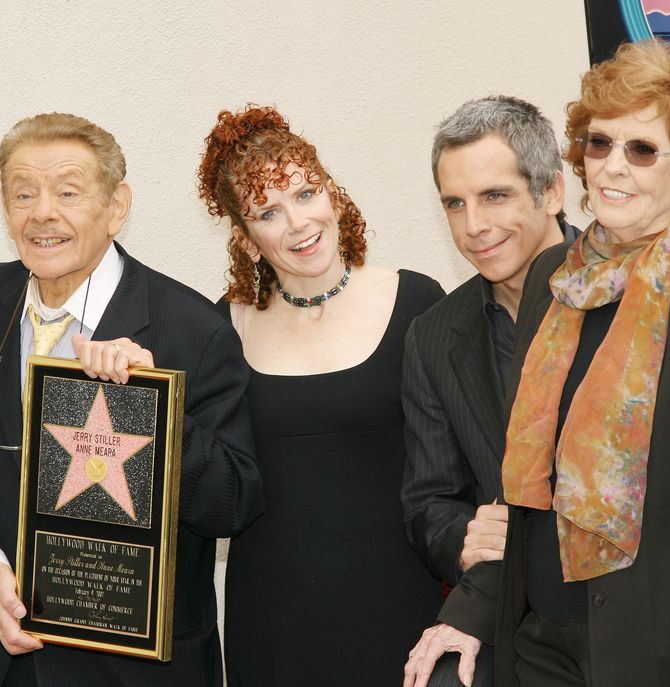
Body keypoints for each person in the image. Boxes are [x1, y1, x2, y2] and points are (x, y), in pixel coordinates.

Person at [404, 41, 670, 686]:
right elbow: (527, 482)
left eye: (642, 150)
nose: (613, 167)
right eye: (599, 144)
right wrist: (470, 611)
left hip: (668, 651)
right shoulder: (552, 284)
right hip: (546, 645)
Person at [0, 113, 263, 687]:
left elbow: (233, 503)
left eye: (67, 192)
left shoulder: (192, 327)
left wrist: (150, 407)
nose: (42, 212)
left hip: (130, 668)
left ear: (117, 207)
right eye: (23, 194)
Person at [196, 104, 446, 685]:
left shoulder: (418, 301)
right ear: (247, 239)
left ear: (332, 194)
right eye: (268, 212)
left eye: (306, 194)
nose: (299, 223)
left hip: (405, 610)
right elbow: (205, 475)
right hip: (274, 620)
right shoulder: (220, 329)